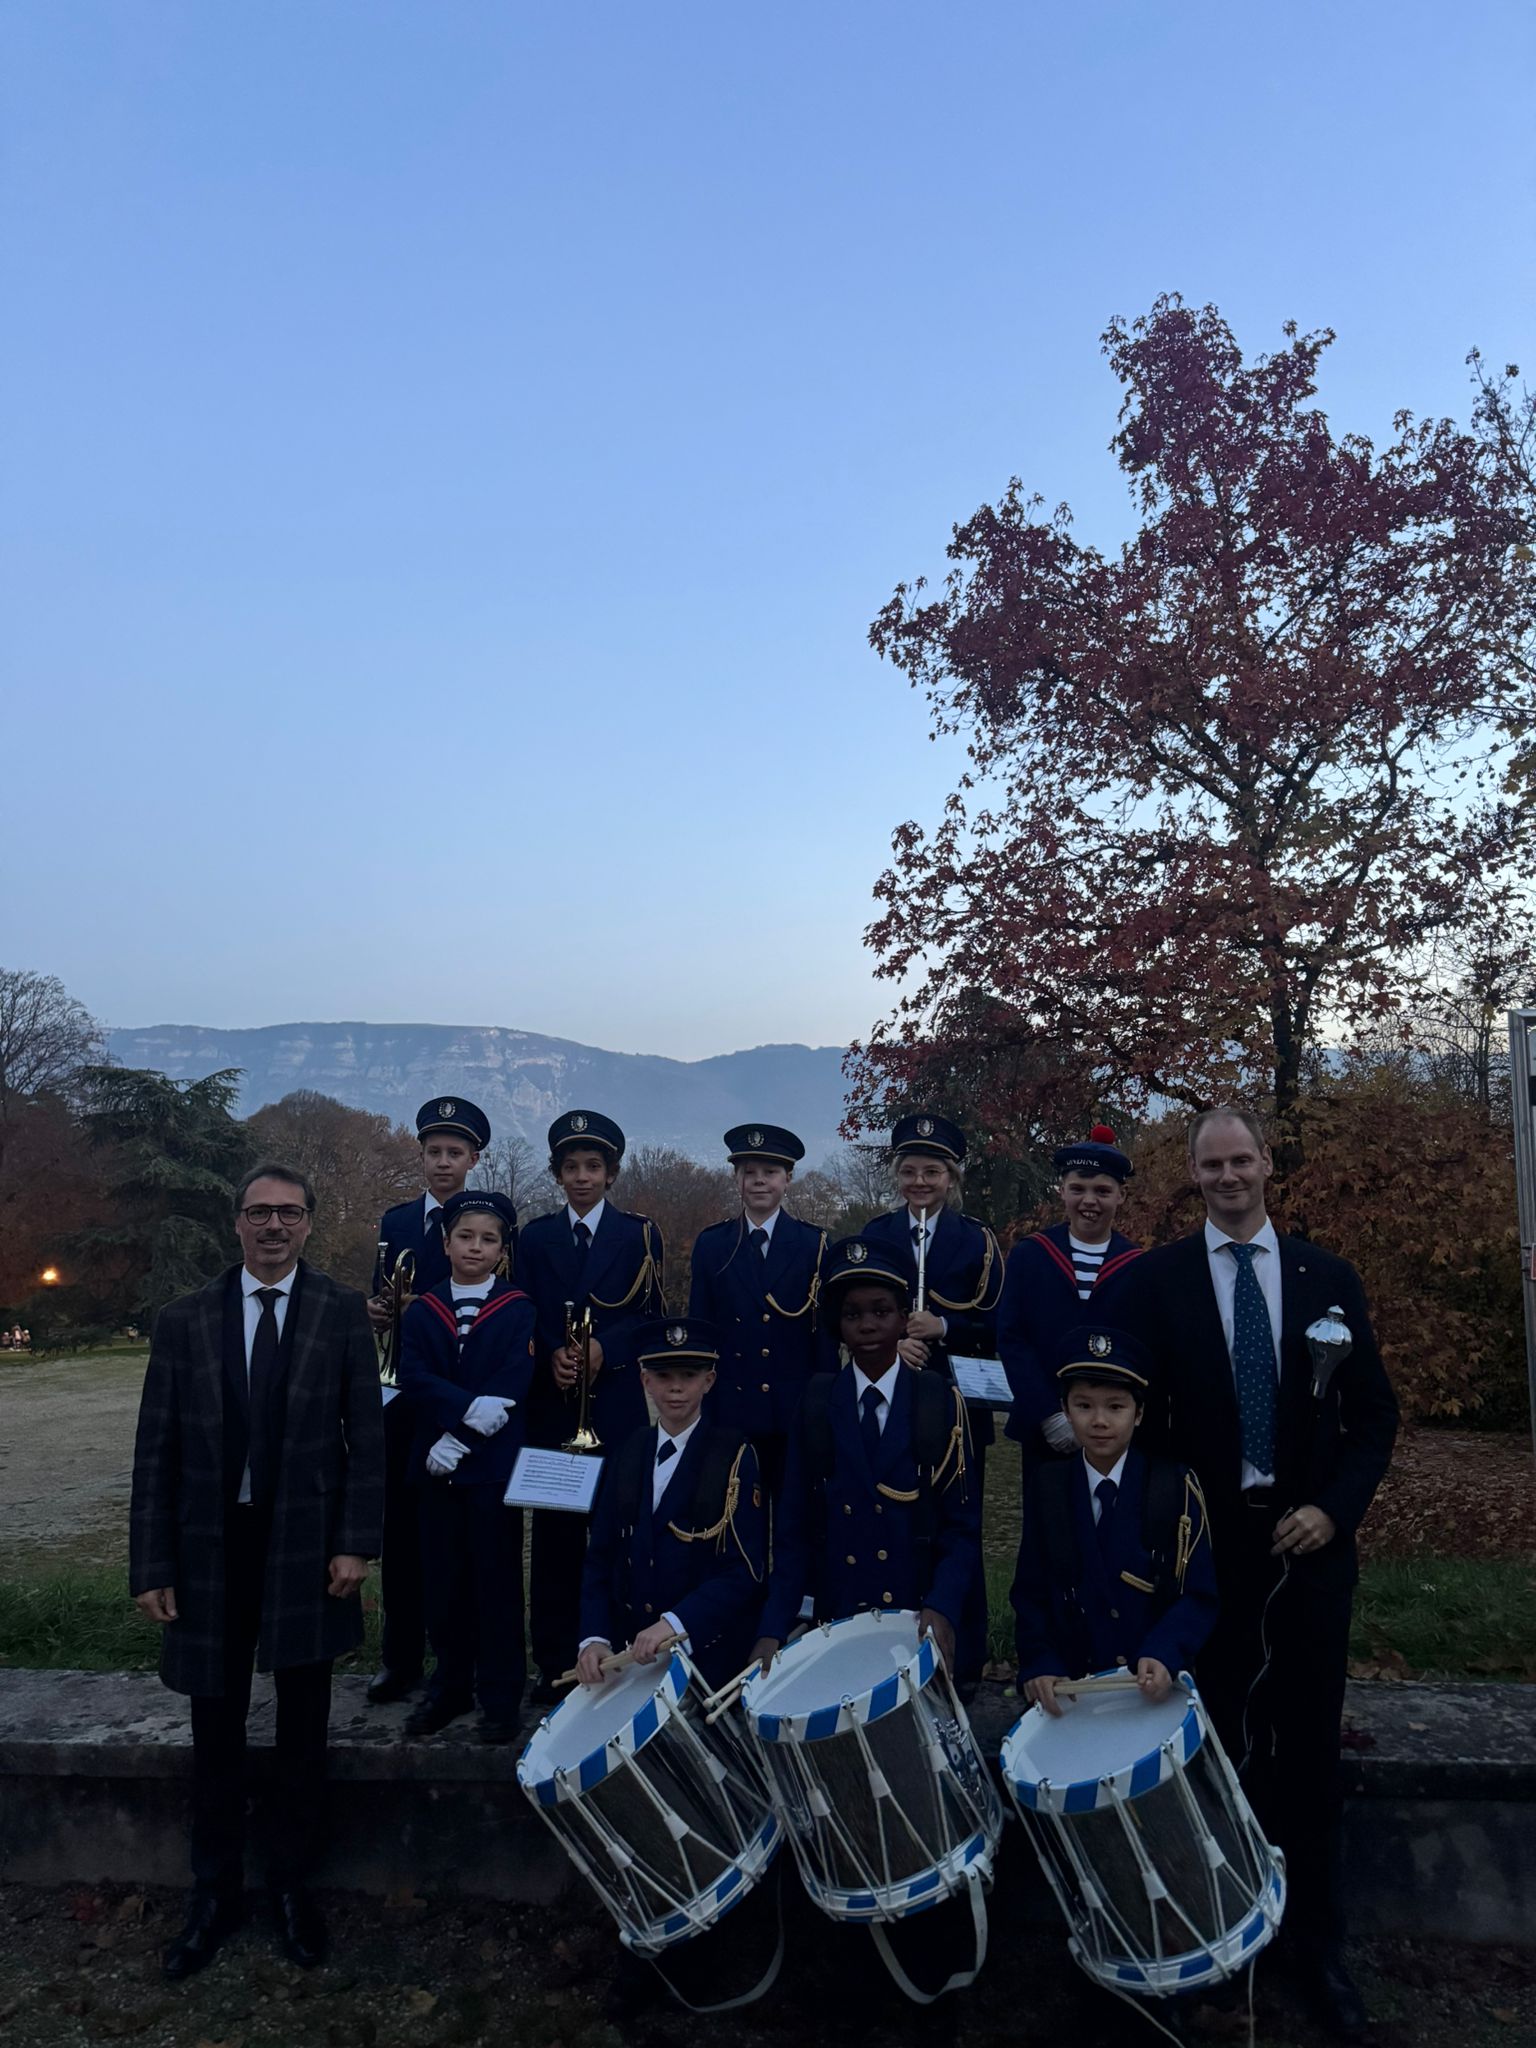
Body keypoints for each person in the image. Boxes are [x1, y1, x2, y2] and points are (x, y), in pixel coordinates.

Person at [1123, 1107, 1398, 2043]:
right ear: (1193, 1174)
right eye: (1212, 1165)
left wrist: (1335, 1510)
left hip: (1309, 1549)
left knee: (1309, 1748)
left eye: (1242, 1159)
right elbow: (1136, 1422)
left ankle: (1316, 1945)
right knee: (1212, 1744)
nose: (1229, 1176)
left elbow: (1374, 1417)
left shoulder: (1328, 1278)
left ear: (1268, 1163)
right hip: (1207, 1553)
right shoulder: (1157, 1281)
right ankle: (1220, 1931)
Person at [129, 1163, 384, 1979]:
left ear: (309, 1222)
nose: (274, 1226)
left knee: (303, 1730)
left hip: (308, 1548)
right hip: (210, 1549)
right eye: (259, 1212)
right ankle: (214, 1892)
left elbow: (366, 1440)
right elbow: (155, 1450)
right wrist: (152, 1563)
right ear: (236, 1221)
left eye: (290, 1213)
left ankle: (291, 1887)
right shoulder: (185, 1319)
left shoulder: (341, 1313)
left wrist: (356, 1543)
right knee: (216, 1731)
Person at [752, 1237, 978, 1675]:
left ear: (904, 1318)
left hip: (915, 1618)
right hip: (839, 1620)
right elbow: (794, 1530)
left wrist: (943, 1606)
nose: (868, 1325)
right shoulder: (817, 1404)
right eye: (852, 1314)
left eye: (881, 1311)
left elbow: (962, 1528)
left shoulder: (937, 1404)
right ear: (837, 1325)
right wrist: (773, 1628)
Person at [517, 1110, 665, 1701]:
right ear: (557, 1174)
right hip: (555, 1411)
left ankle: (622, 1652)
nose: (582, 1177)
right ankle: (553, 1660)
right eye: (571, 1167)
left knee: (618, 1535)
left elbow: (652, 1317)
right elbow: (522, 1309)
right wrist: (550, 1353)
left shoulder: (639, 1235)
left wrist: (607, 1347)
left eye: (593, 1167)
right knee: (555, 1540)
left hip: (616, 1410)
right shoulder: (534, 1237)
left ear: (612, 1174)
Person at [859, 1113, 1002, 1684]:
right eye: (910, 1171)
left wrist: (944, 1327)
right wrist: (892, 1344)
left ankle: (963, 1661)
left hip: (959, 1410)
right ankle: (887, 1660)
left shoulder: (978, 1240)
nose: (920, 1182)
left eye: (932, 1172)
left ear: (952, 1177)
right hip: (891, 1402)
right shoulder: (877, 1234)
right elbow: (856, 1314)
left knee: (957, 1529)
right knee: (896, 1524)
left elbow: (998, 1323)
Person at [365, 1095, 497, 1708]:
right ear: (420, 1156)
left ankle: (458, 1662)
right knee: (400, 1532)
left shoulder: (487, 1222)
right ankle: (399, 1658)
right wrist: (378, 1309)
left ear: (473, 1160)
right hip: (403, 1395)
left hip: (463, 1396)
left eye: (454, 1152)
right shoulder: (396, 1222)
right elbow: (383, 1291)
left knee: (458, 1540)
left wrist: (424, 1309)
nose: (443, 1162)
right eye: (433, 1152)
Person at [1012, 1327, 1216, 1716]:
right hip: (1073, 1691)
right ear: (1065, 1409)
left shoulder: (1173, 1487)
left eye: (1116, 1407)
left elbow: (1199, 1594)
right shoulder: (1049, 1487)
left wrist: (1165, 1650)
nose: (1099, 1421)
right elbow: (1031, 1592)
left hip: (1151, 1691)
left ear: (1139, 1414)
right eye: (1084, 1406)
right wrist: (1040, 1662)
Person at [396, 1190, 536, 1744]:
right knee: (444, 1583)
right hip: (435, 1469)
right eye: (465, 1236)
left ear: (503, 1250)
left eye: (488, 1239)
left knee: (496, 1583)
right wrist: (459, 1416)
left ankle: (501, 1696)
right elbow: (413, 1375)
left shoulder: (518, 1307)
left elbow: (511, 1383)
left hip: (491, 1471)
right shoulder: (423, 1307)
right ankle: (450, 1686)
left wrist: (460, 1437)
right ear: (446, 1241)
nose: (475, 1247)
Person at [576, 1316, 765, 1693]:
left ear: (709, 1381)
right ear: (645, 1381)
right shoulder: (628, 1453)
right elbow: (601, 1558)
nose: (676, 1387)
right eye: (663, 1376)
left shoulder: (733, 1458)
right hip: (632, 1657)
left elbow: (744, 1571)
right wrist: (594, 1637)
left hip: (705, 1655)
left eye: (689, 1375)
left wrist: (676, 1622)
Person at [688, 1122, 828, 1504]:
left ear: (788, 1179)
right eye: (749, 1172)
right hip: (731, 1407)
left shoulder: (813, 1245)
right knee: (731, 1516)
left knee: (793, 1518)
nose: (760, 1181)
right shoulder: (713, 1245)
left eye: (771, 1172)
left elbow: (823, 1339)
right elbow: (701, 1331)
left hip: (792, 1410)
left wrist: (823, 1406)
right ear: (736, 1179)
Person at [996, 1126, 1143, 1470]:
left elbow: (1143, 1349)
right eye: (1078, 1189)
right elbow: (1011, 1338)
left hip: (1115, 1434)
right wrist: (1048, 1413)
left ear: (1121, 1195)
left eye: (1102, 1191)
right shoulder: (1031, 1255)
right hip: (1044, 1429)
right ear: (1061, 1191)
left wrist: (1118, 1415)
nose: (1089, 1201)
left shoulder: (1139, 1266)